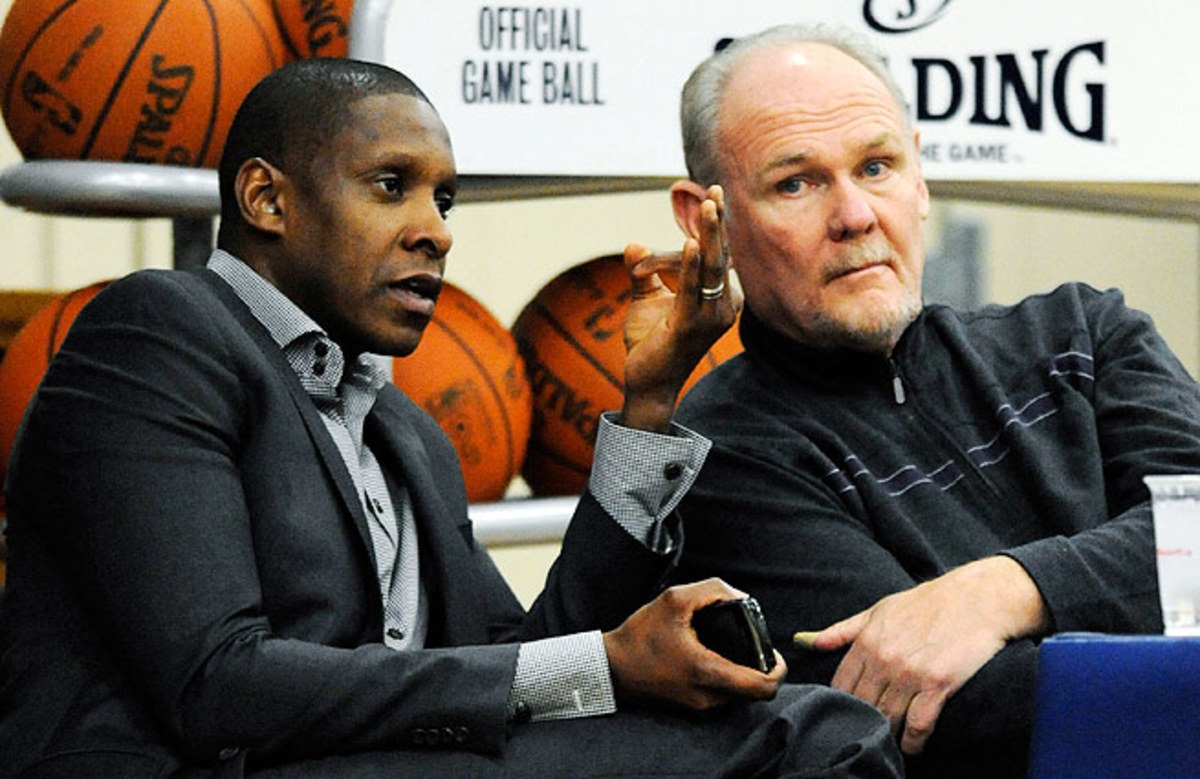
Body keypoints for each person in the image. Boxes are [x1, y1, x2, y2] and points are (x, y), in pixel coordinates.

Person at [0, 58, 903, 778]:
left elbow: (528, 656)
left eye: (445, 198)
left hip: (359, 761)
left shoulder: (408, 437)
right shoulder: (157, 332)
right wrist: (607, 662)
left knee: (794, 717)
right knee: (809, 734)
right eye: (391, 185)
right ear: (266, 199)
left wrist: (650, 401)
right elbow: (215, 683)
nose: (436, 228)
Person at [658, 22, 1200, 779]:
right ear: (704, 219)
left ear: (919, 178)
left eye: (876, 166)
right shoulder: (723, 454)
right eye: (796, 183)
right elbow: (970, 715)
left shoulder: (1085, 331)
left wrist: (1009, 590)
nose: (854, 215)